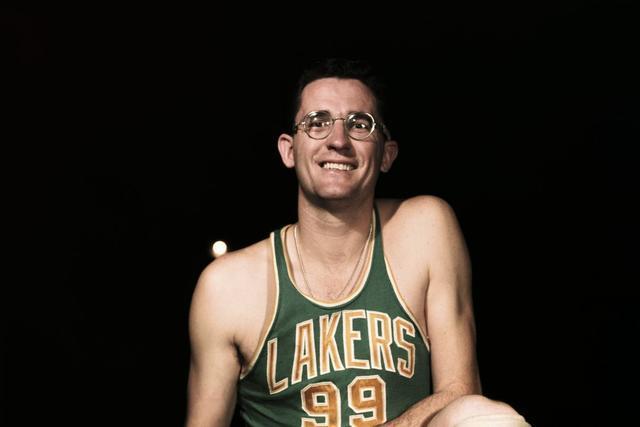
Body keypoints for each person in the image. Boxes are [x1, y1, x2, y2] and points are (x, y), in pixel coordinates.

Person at [186, 58, 530, 426]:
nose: (338, 141)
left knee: (489, 417)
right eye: (317, 122)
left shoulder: (424, 228)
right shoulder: (227, 286)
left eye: (359, 125)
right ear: (289, 150)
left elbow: (460, 390)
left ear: (386, 154)